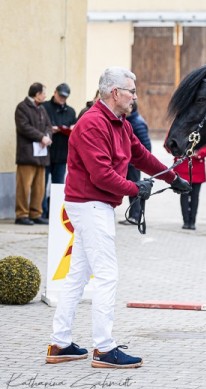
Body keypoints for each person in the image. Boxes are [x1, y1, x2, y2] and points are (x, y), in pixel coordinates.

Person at [46, 67, 191, 368]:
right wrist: (134, 189)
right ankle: (104, 348)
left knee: (78, 275)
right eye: (131, 91)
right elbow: (101, 175)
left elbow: (139, 155)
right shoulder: (92, 124)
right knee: (107, 275)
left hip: (94, 205)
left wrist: (171, 177)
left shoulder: (120, 123)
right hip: (90, 205)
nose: (135, 97)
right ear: (115, 93)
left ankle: (60, 344)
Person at [14, 82, 52, 225]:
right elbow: (24, 127)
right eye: (43, 93)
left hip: (41, 155)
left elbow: (49, 125)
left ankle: (36, 213)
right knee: (24, 187)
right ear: (36, 94)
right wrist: (40, 137)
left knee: (39, 187)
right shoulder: (22, 107)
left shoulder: (42, 108)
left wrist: (47, 137)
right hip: (27, 155)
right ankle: (21, 214)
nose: (45, 95)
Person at [41, 83, 77, 218]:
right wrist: (51, 129)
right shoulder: (44, 107)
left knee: (58, 186)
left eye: (65, 97)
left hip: (62, 154)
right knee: (42, 186)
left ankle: (55, 213)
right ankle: (42, 212)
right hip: (46, 152)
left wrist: (72, 128)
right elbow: (41, 125)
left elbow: (74, 125)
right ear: (55, 92)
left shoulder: (70, 111)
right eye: (60, 96)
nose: (62, 99)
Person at [119, 101, 152, 225]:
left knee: (135, 189)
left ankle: (136, 216)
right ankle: (134, 215)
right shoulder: (132, 121)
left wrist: (135, 160)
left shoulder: (137, 123)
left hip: (133, 164)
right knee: (132, 189)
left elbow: (146, 146)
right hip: (130, 163)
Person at [174, 142, 206, 230]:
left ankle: (191, 221)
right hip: (183, 167)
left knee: (194, 196)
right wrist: (178, 151)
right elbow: (168, 143)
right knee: (184, 195)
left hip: (196, 168)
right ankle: (187, 221)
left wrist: (199, 154)